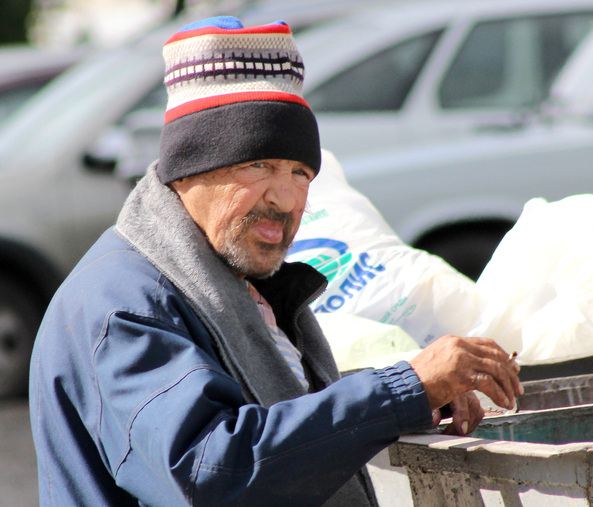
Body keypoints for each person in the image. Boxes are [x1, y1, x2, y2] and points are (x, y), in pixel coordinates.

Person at [29, 16, 522, 506]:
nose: (286, 199)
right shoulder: (124, 306)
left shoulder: (231, 280)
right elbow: (211, 469)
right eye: (257, 165)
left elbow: (268, 417)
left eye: (301, 172)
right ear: (188, 171)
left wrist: (421, 396)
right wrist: (401, 390)